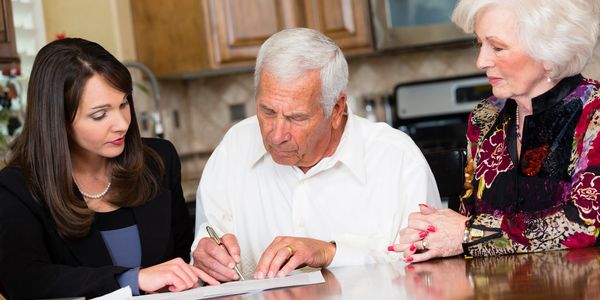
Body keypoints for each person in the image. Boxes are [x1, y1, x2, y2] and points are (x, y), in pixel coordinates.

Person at [191, 27, 441, 282]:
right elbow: (209, 241)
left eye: (296, 118)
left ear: (336, 109)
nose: (276, 135)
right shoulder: (235, 147)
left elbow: (428, 273)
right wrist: (206, 256)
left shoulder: (396, 158)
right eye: (267, 112)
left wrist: (331, 253)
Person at [0, 38, 218, 299]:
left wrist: (207, 256)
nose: (122, 124)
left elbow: (184, 257)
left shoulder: (158, 161)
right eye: (100, 114)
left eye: (124, 104)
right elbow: (25, 282)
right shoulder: (17, 189)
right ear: (58, 120)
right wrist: (131, 280)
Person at [393, 0, 600, 262]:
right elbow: (465, 220)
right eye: (480, 44)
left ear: (549, 53)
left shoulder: (593, 113)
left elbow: (585, 222)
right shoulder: (485, 117)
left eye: (498, 48)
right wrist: (432, 235)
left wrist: (467, 235)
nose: (481, 61)